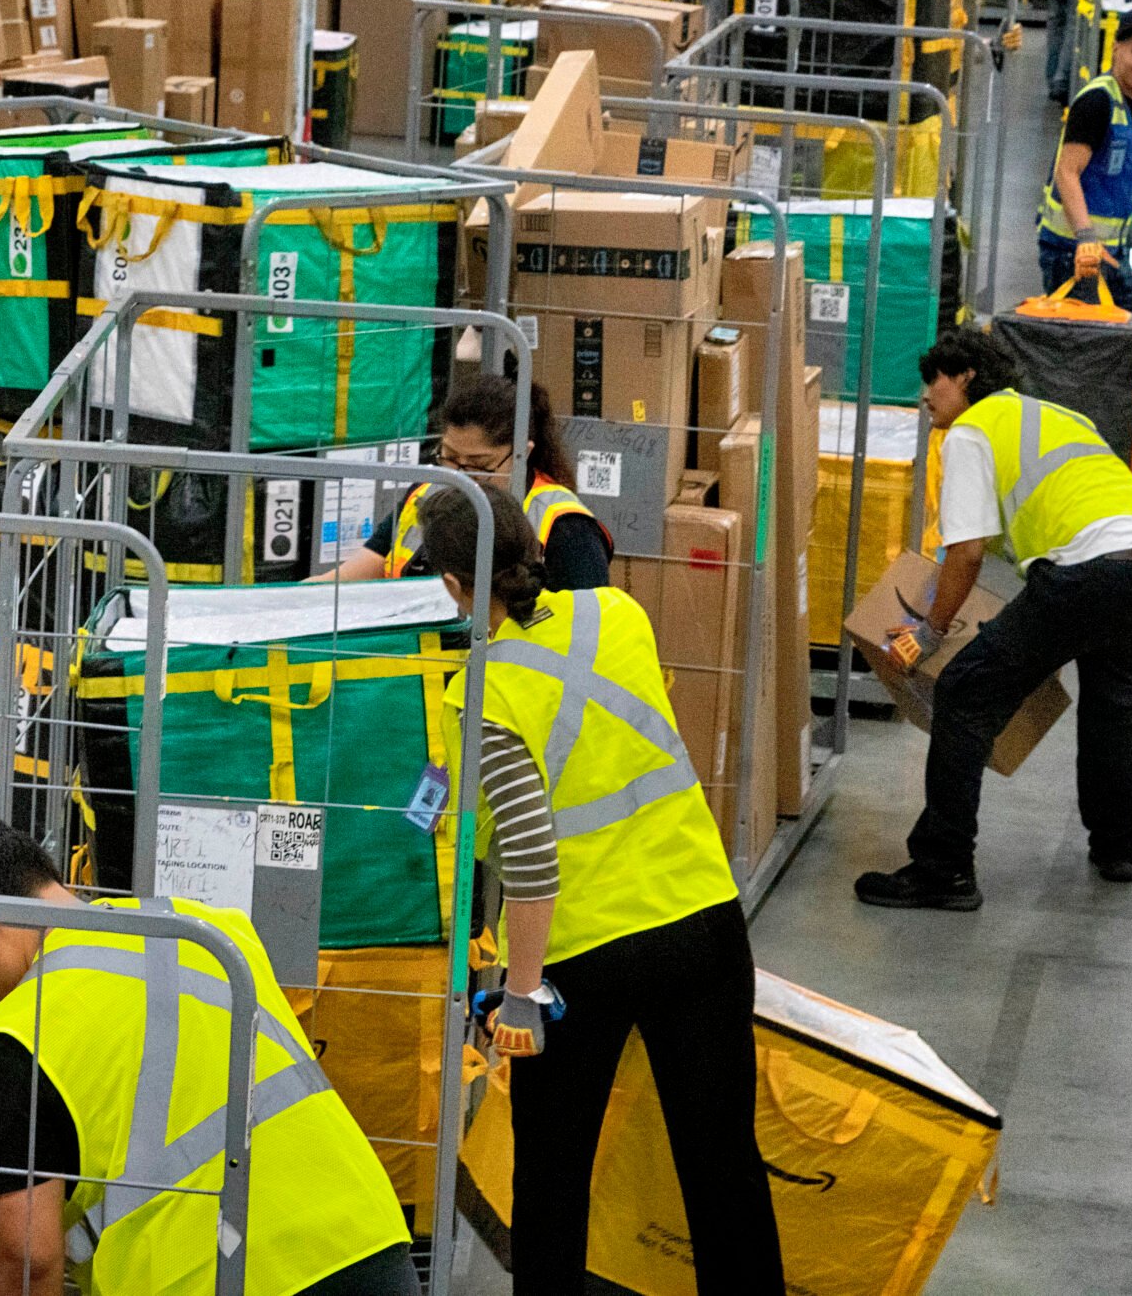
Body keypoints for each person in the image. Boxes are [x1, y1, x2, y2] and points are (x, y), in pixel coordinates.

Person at [413, 485, 783, 1292]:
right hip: (704, 923)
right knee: (722, 1164)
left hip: (582, 957)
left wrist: (517, 996)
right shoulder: (619, 614)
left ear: (451, 585)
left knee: (551, 1179)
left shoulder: (482, 689)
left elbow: (533, 856)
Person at [0, 813, 419, 1296]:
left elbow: (25, 1257)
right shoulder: (213, 930)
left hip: (221, 1279)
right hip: (372, 1248)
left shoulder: (16, 1037)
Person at [855, 329, 1132, 911]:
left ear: (965, 379)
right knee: (1111, 683)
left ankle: (943, 868)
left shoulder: (973, 430)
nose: (925, 396)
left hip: (1089, 570)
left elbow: (967, 551)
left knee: (965, 692)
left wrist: (929, 631)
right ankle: (1117, 843)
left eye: (933, 380)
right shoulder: (1059, 415)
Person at [313, 376, 613, 590]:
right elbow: (348, 577)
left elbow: (586, 636)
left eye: (480, 466)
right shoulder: (424, 493)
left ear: (523, 452)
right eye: (449, 457)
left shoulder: (566, 528)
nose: (461, 477)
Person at [1037, 4, 1132, 299]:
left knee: (1122, 335)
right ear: (1115, 49)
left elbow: (1114, 184)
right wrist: (1085, 237)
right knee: (1083, 342)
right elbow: (1067, 171)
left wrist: (1131, 235)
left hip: (1112, 252)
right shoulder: (1097, 101)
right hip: (1074, 254)